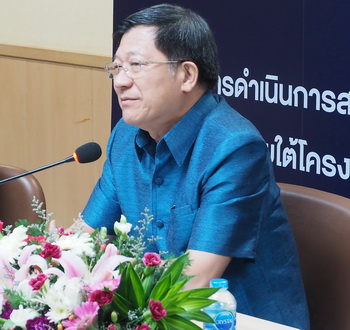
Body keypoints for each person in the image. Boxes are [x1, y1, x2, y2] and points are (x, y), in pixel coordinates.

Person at [81, 4, 310, 329]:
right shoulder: (125, 134)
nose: (120, 82)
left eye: (135, 65)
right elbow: (85, 237)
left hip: (233, 319)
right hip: (153, 312)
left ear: (187, 75)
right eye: (116, 67)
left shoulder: (235, 147)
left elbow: (195, 279)